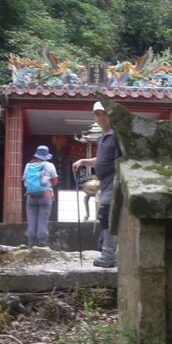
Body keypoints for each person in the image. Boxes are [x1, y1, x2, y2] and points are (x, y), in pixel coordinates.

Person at [72, 101, 122, 268]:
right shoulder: (103, 137)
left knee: (108, 218)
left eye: (103, 113)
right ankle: (109, 253)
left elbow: (123, 160)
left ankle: (109, 256)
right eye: (97, 114)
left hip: (114, 182)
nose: (101, 117)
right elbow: (101, 161)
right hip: (105, 184)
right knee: (106, 219)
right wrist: (83, 161)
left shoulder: (116, 135)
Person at [23, 145, 58, 247]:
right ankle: (42, 244)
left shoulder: (28, 166)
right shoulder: (49, 165)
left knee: (31, 220)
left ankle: (31, 243)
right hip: (45, 196)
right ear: (46, 156)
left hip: (31, 196)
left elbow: (25, 181)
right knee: (42, 220)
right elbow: (55, 181)